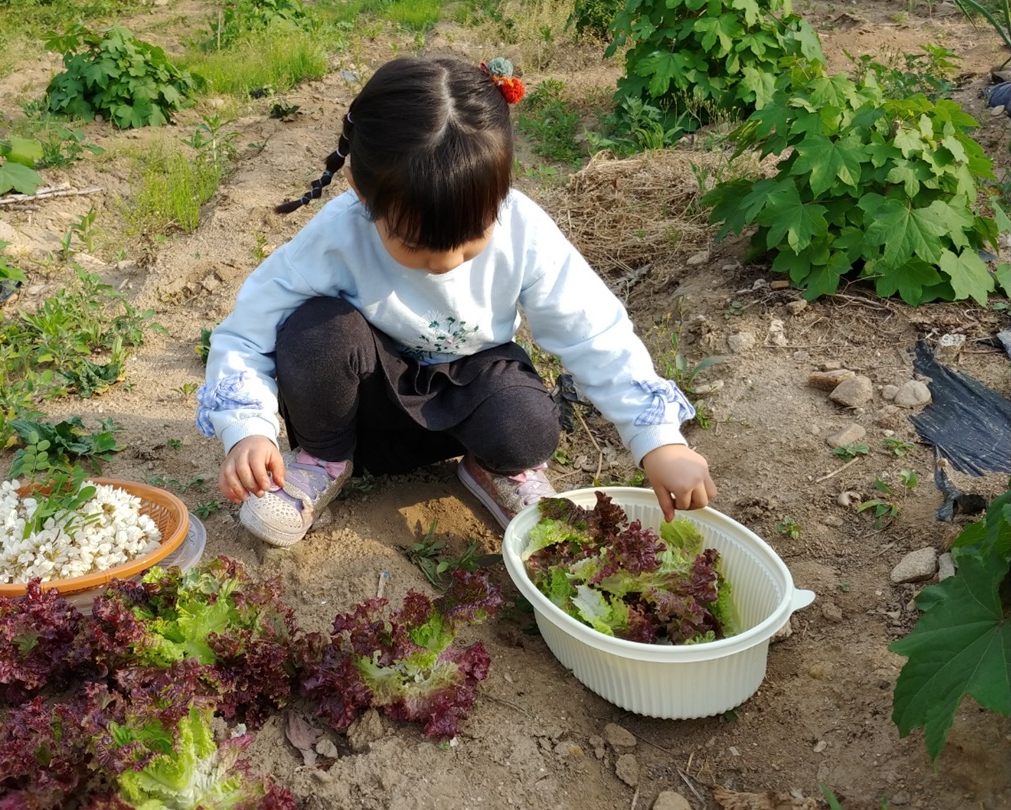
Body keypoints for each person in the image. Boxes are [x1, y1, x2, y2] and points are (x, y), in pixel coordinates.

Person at [196, 55, 715, 547]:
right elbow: (247, 331)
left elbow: (593, 331)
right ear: (361, 193)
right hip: (367, 408)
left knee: (529, 429)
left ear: (501, 191)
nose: (446, 263)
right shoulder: (336, 237)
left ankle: (495, 468)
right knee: (315, 331)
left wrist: (659, 440)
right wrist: (248, 431)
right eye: (415, 246)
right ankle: (323, 461)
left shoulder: (524, 230)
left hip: (469, 391)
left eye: (471, 241)